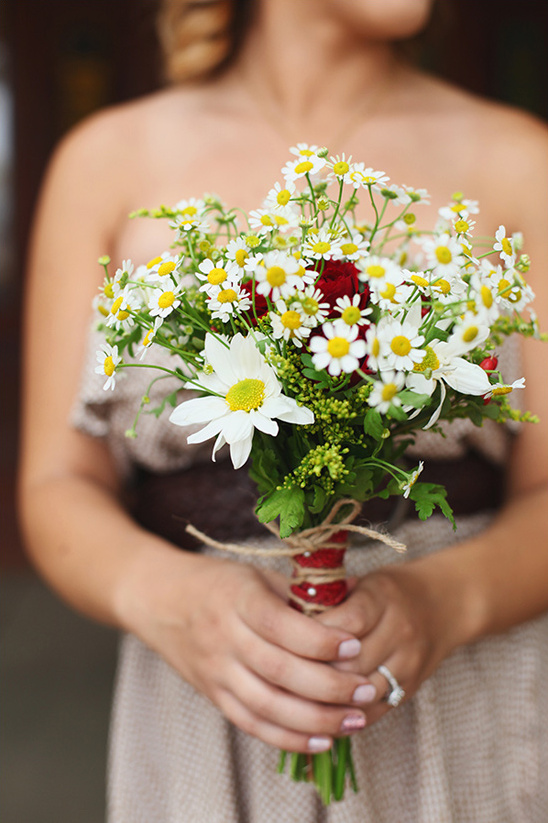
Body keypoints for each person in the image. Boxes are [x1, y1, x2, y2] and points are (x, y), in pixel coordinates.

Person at [18, 0, 548, 820]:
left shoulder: (521, 163)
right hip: (210, 709)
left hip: (456, 709)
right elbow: (55, 484)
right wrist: (173, 601)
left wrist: (444, 602)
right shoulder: (107, 162)